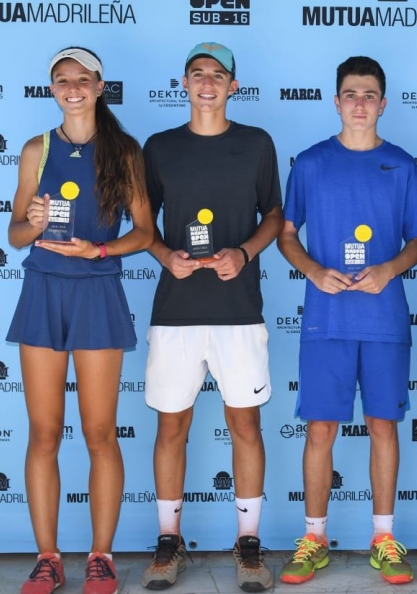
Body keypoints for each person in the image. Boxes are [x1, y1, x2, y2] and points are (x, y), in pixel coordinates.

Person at [7, 47, 154, 594]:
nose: (72, 88)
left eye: (82, 79)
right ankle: (48, 558)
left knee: (99, 432)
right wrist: (34, 222)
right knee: (44, 433)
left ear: (99, 87)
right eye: (62, 80)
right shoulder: (35, 150)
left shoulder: (125, 152)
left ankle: (101, 557)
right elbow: (15, 233)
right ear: (53, 89)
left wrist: (98, 251)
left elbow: (144, 234)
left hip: (97, 290)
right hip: (43, 290)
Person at [276, 56, 417, 586]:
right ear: (336, 101)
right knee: (321, 427)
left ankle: (383, 539)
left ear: (382, 104)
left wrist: (388, 268)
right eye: (350, 93)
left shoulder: (403, 165)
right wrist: (314, 272)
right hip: (327, 319)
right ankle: (313, 538)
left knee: (384, 425)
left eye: (368, 94)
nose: (359, 102)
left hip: (385, 319)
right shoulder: (312, 163)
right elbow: (287, 234)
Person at [140, 42, 283, 593]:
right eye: (197, 74)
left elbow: (274, 215)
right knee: (170, 425)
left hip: (238, 310)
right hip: (176, 313)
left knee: (245, 424)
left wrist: (244, 253)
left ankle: (248, 543)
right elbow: (140, 223)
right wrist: (163, 255)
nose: (207, 83)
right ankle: (168, 541)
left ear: (233, 86)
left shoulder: (255, 144)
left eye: (218, 75)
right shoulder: (159, 147)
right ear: (183, 83)